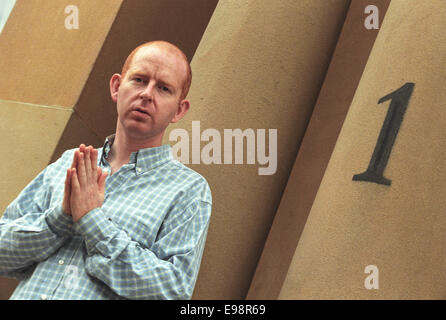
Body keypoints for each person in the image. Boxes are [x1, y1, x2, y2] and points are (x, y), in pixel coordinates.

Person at [0, 40, 212, 300]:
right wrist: (60, 219)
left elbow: (172, 290)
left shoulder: (188, 190)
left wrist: (92, 221)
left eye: (164, 88)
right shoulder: (69, 163)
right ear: (116, 87)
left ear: (179, 110)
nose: (147, 94)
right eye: (139, 80)